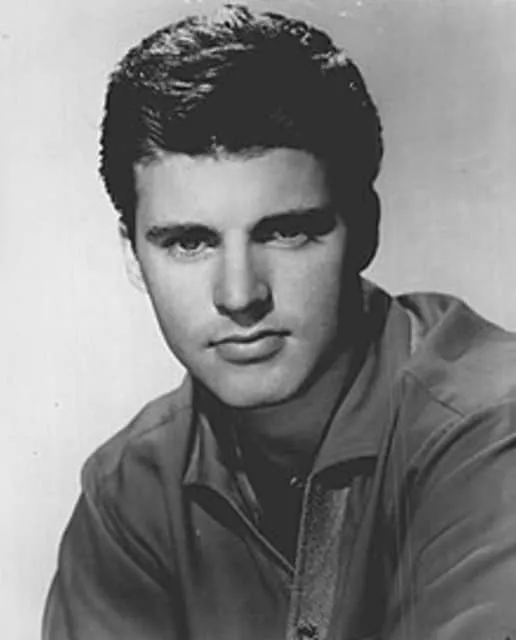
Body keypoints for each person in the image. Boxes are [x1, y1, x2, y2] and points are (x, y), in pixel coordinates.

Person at [43, 4, 516, 639]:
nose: (240, 295)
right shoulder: (129, 490)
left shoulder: (491, 429)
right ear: (134, 255)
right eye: (189, 242)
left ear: (365, 230)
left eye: (286, 232)